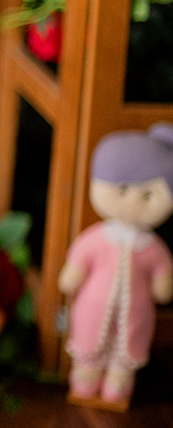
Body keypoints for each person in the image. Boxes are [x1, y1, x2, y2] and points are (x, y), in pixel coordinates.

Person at [58, 122, 173, 406]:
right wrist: (70, 279)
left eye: (148, 195)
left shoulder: (154, 249)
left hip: (135, 316)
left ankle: (116, 391)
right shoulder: (97, 239)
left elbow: (162, 286)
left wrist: (162, 286)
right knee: (87, 353)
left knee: (125, 359)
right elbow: (75, 267)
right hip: (92, 312)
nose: (133, 202)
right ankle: (85, 385)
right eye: (123, 189)